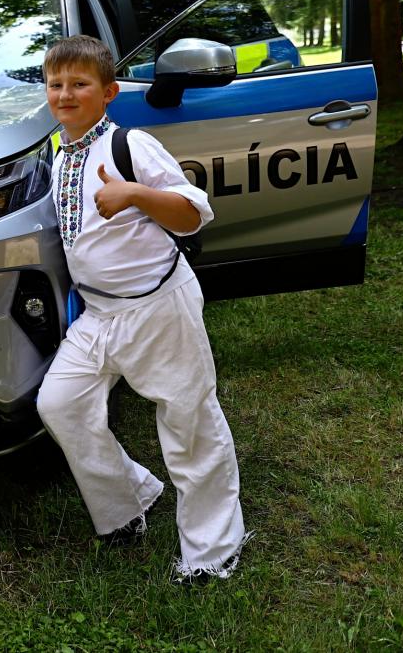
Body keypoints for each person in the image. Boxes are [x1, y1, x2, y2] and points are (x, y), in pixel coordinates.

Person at [35, 35, 249, 584]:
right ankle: (128, 500)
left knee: (188, 420)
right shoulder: (56, 154)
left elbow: (192, 215)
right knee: (60, 404)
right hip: (99, 315)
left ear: (108, 93)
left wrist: (133, 194)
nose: (65, 94)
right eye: (56, 84)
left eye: (80, 84)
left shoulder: (130, 145)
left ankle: (212, 551)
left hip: (158, 307)